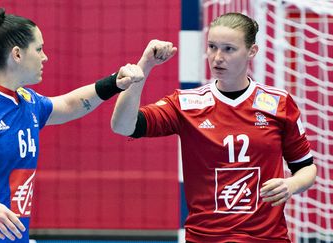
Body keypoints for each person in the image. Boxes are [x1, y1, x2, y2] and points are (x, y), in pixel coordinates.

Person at [0, 1, 144, 242]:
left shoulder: (27, 100)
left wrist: (115, 83)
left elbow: (68, 105)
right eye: (39, 49)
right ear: (17, 54)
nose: (45, 57)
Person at [111, 13, 317, 242]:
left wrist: (291, 184)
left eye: (229, 49)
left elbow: (306, 168)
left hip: (267, 238)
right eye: (212, 47)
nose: (217, 57)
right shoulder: (186, 104)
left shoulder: (278, 103)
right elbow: (122, 126)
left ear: (252, 51)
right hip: (206, 238)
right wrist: (144, 66)